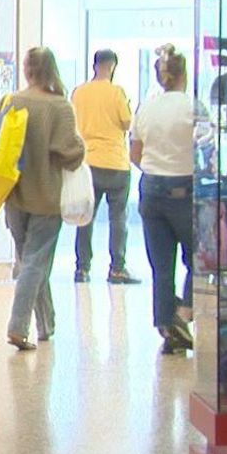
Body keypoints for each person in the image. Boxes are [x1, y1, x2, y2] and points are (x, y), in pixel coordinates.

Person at [0, 47, 86, 351]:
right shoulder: (60, 107)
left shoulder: (11, 102)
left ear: (26, 69)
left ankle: (47, 324)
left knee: (31, 261)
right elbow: (70, 154)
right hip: (46, 197)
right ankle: (18, 326)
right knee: (35, 263)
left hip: (14, 195)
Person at [131, 45, 208, 352]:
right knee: (198, 257)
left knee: (161, 266)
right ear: (184, 75)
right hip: (185, 188)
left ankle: (168, 328)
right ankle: (184, 313)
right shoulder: (194, 107)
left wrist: (157, 168)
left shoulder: (146, 107)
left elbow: (134, 154)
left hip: (150, 188)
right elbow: (207, 150)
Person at [70, 48, 137, 284]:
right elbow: (128, 123)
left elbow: (72, 124)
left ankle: (82, 268)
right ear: (112, 67)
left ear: (94, 65)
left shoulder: (78, 93)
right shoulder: (117, 93)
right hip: (116, 163)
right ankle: (117, 268)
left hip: (88, 163)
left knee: (85, 217)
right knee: (118, 218)